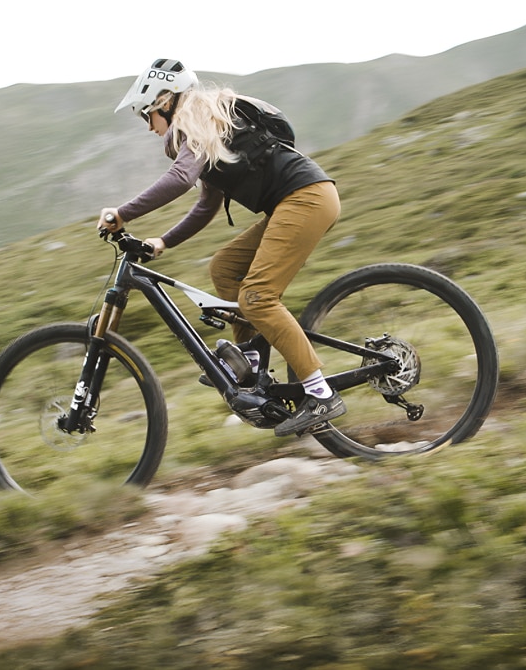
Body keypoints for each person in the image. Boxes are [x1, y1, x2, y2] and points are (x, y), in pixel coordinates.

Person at [98, 58, 343, 437]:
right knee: (224, 268)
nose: (148, 126)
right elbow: (206, 205)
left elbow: (181, 178)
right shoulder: (208, 132)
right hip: (297, 202)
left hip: (306, 199)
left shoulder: (195, 119)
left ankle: (320, 393)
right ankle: (251, 361)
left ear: (165, 101)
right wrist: (163, 241)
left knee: (258, 297)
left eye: (147, 115)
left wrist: (122, 213)